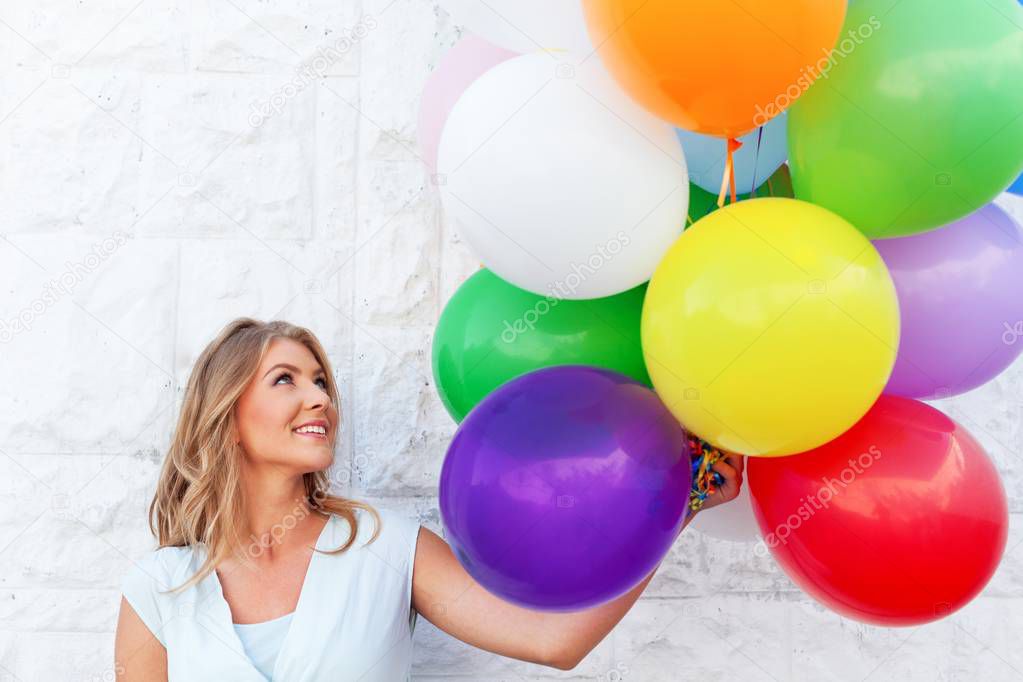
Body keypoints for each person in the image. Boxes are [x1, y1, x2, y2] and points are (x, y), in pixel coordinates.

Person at [114, 318, 743, 681]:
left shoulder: (382, 545)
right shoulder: (161, 587)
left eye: (321, 382)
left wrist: (681, 498)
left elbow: (553, 641)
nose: (320, 399)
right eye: (286, 380)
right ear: (226, 413)